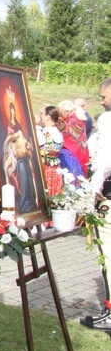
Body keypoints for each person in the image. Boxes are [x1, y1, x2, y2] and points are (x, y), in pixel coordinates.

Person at [81, 79, 111, 330]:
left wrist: (94, 189)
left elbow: (105, 160)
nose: (101, 101)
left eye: (103, 96)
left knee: (108, 255)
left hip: (109, 195)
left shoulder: (108, 120)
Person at [58, 99, 89, 178]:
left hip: (74, 153)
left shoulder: (73, 121)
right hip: (78, 151)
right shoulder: (76, 119)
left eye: (60, 112)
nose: (60, 114)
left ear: (67, 111)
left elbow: (65, 134)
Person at [37, 105, 64, 196]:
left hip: (44, 166)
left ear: (48, 117)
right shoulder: (59, 131)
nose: (41, 116)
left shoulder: (42, 132)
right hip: (55, 167)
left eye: (42, 113)